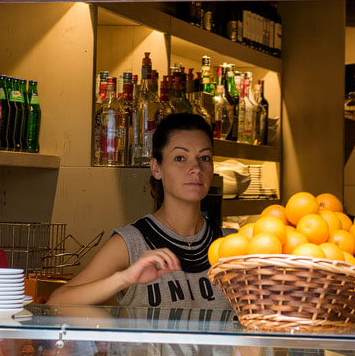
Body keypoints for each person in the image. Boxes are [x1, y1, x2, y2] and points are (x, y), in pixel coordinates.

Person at [50, 112, 231, 312]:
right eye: (180, 158)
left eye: (204, 157)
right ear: (156, 168)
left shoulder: (232, 247)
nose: (196, 168)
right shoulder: (131, 243)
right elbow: (56, 302)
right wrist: (123, 278)